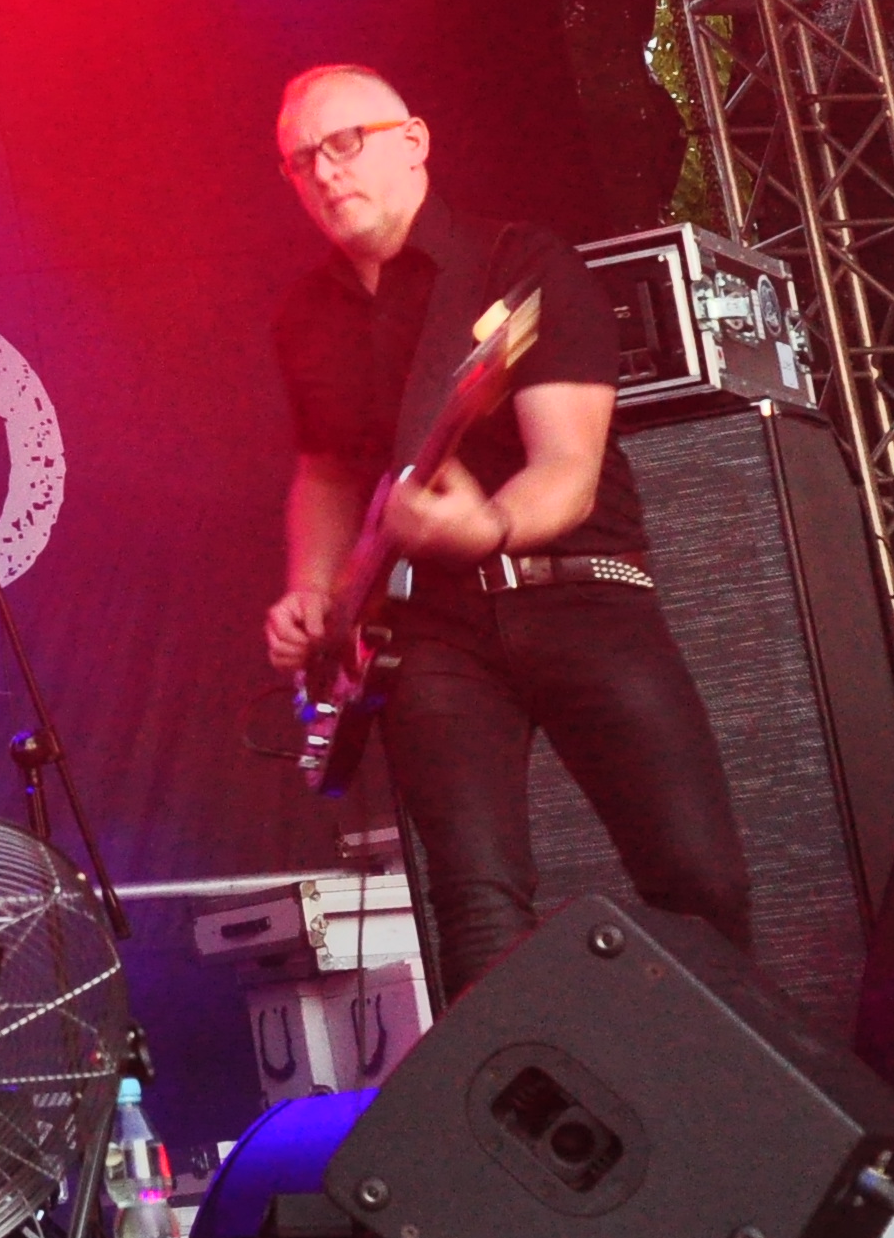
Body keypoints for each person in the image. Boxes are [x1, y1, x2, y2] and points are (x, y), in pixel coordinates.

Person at [261, 63, 748, 992]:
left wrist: (484, 526)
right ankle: (509, 1083)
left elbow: (568, 470)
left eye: (345, 142)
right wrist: (313, 590)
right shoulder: (307, 317)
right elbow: (323, 469)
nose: (324, 170)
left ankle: (718, 1071)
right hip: (432, 632)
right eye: (300, 159)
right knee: (475, 904)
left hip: (581, 596)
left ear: (414, 143)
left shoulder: (522, 266)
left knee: (697, 881)